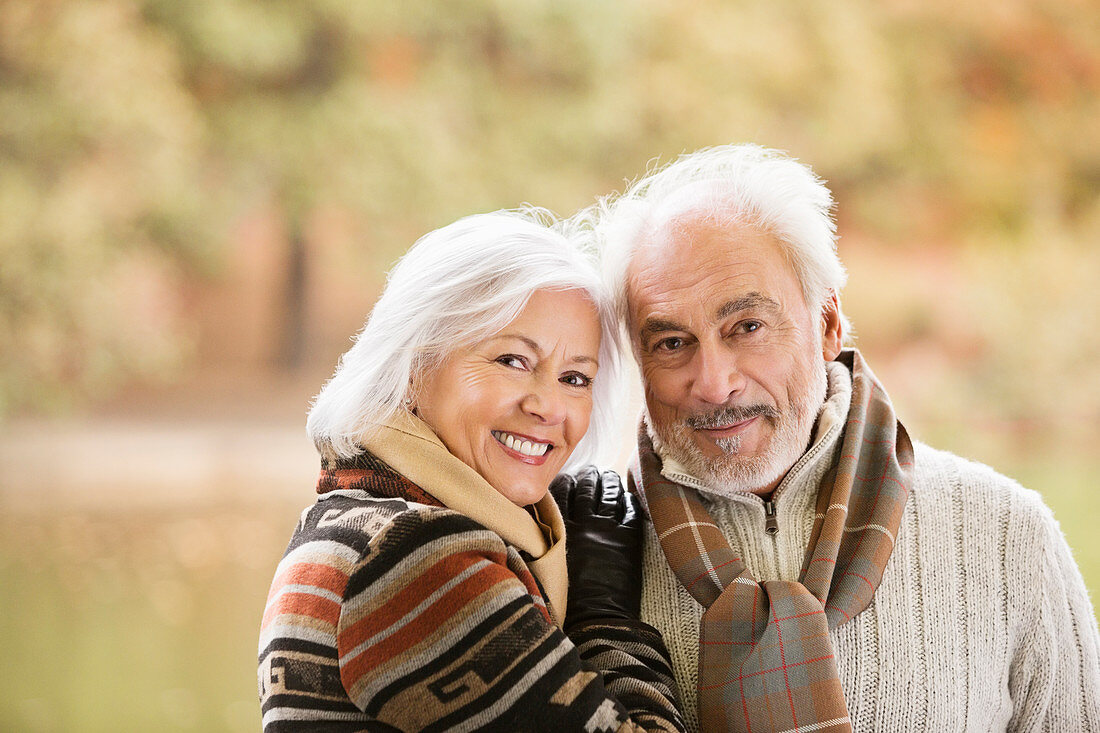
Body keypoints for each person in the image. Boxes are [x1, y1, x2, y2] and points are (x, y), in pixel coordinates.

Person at [582, 144, 1100, 732]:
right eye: (672, 342)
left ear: (826, 324)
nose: (714, 383)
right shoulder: (579, 553)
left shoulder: (1005, 533)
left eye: (747, 326)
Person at [257, 210, 685, 732]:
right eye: (511, 360)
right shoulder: (416, 558)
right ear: (414, 365)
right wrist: (603, 614)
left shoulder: (353, 516)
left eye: (576, 377)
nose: (549, 406)